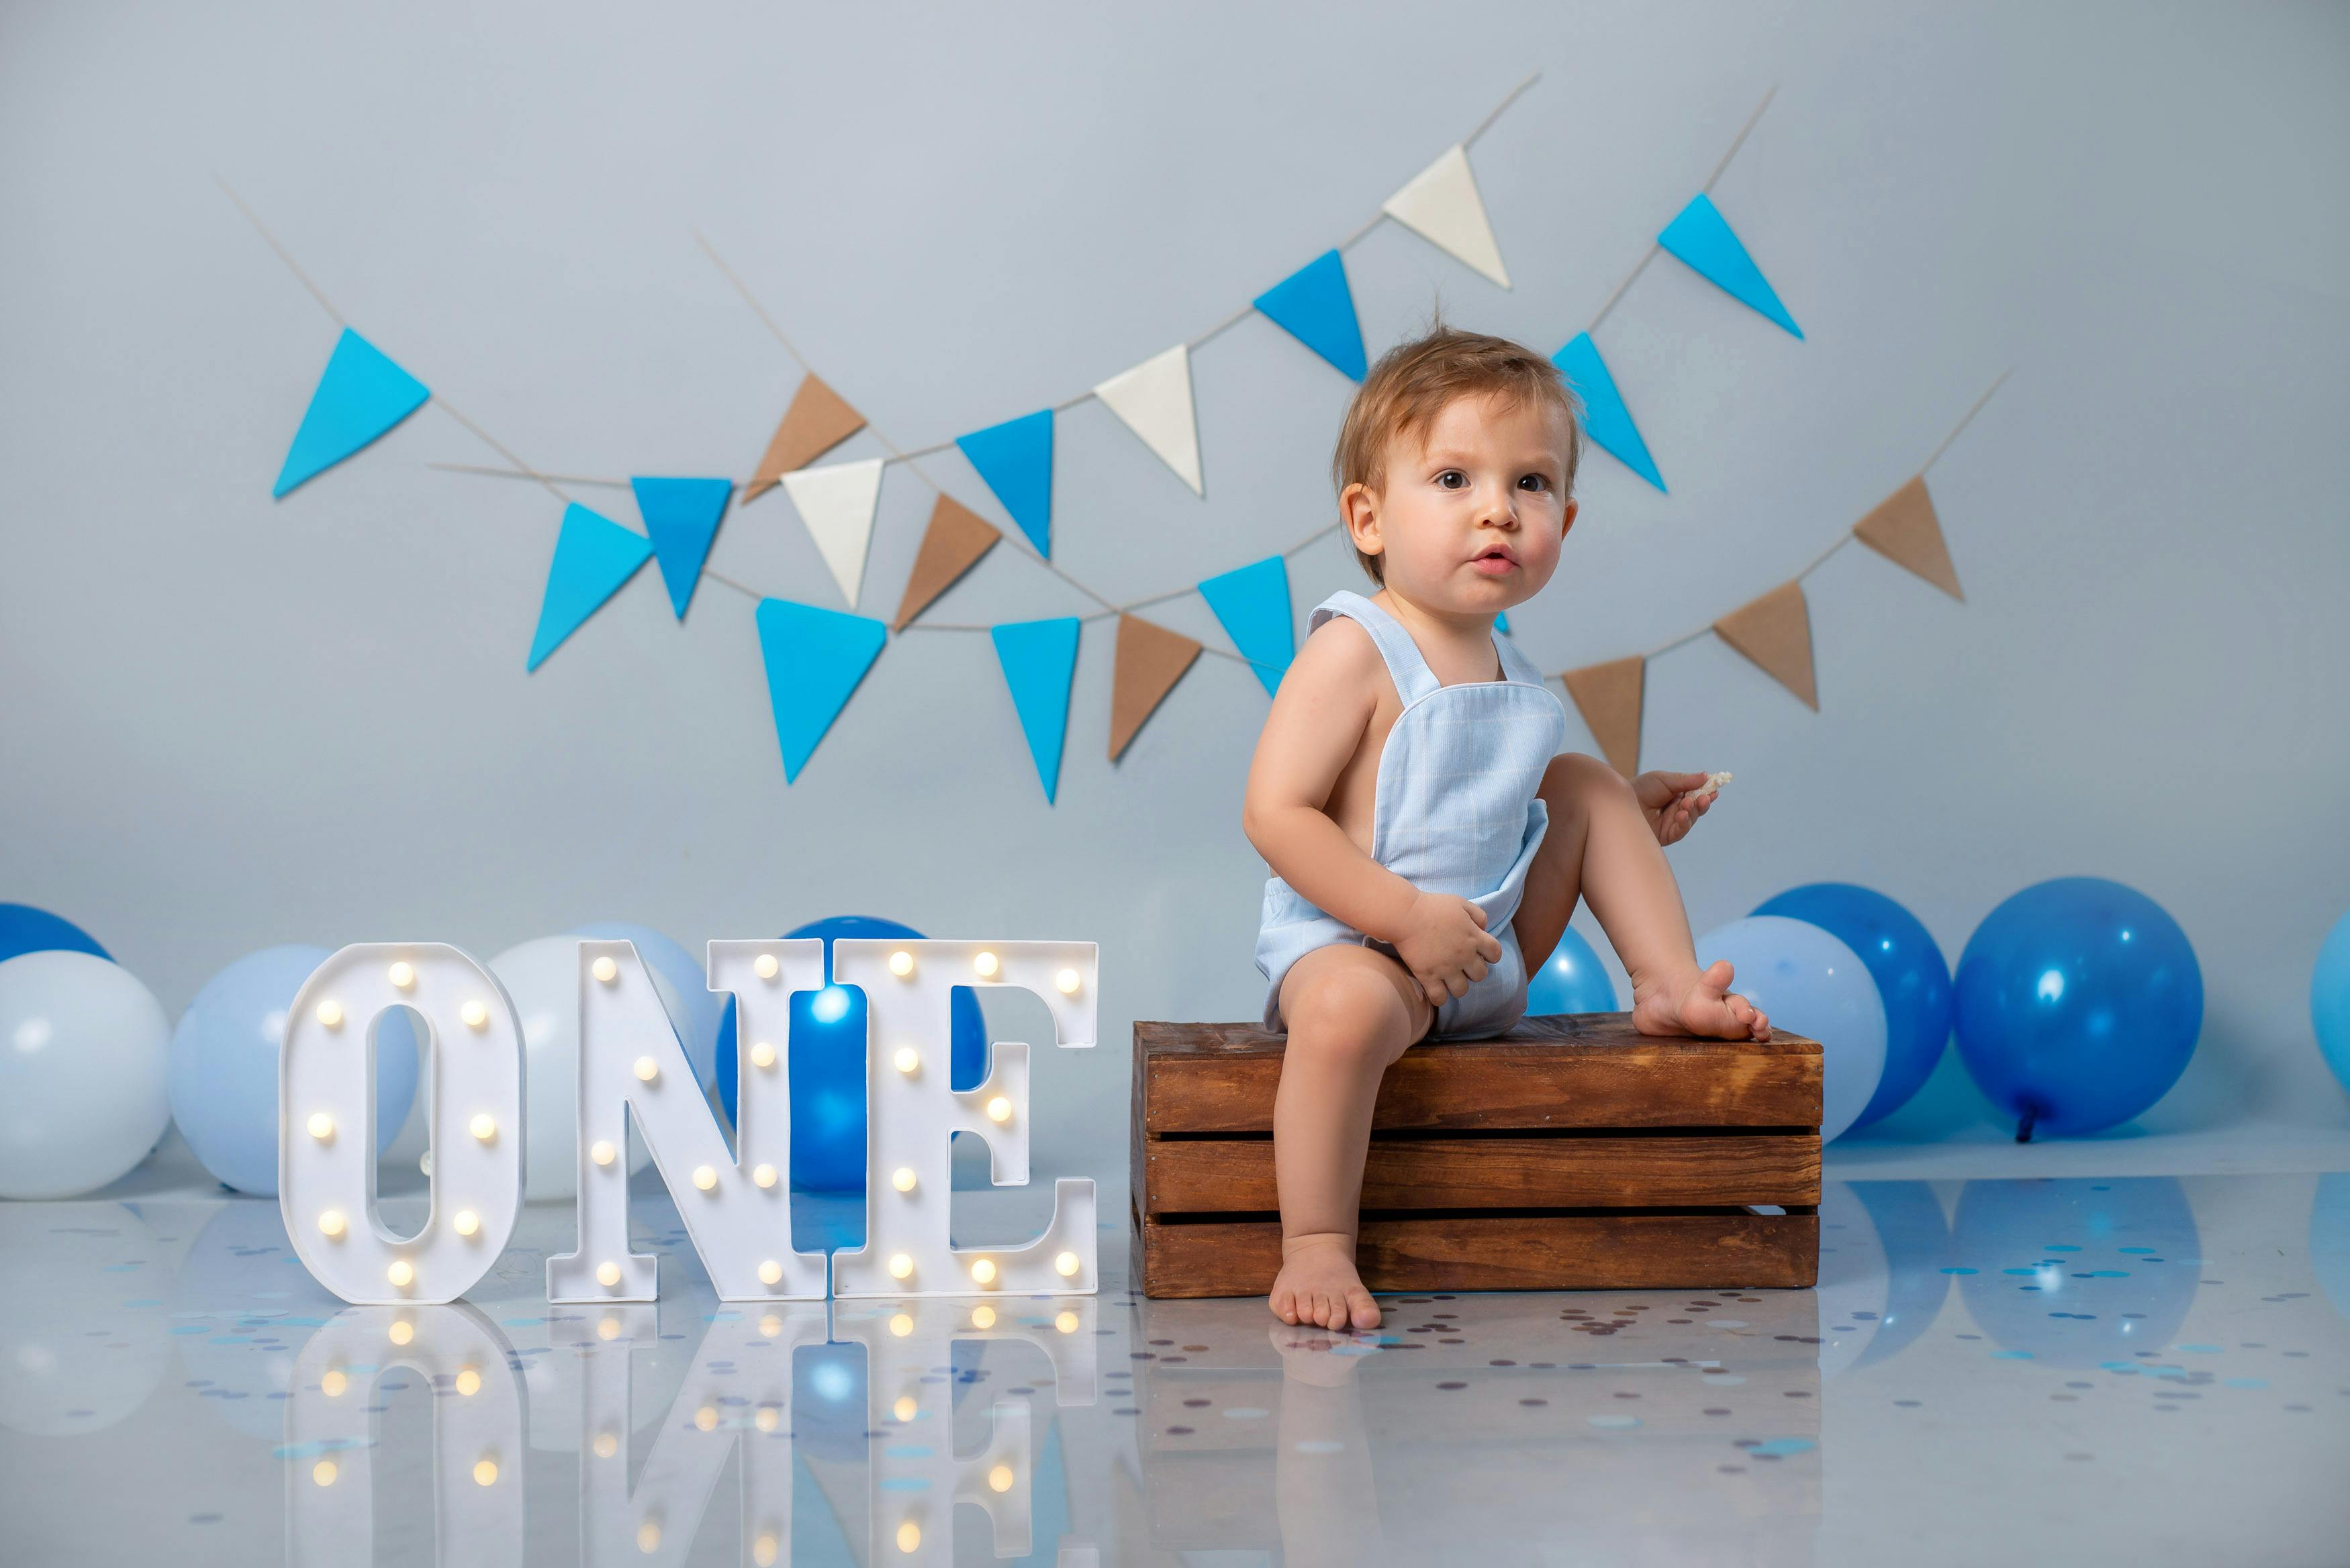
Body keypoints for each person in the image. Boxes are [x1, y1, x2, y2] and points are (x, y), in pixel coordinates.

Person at [1241, 324, 1771, 1333]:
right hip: (1363, 954)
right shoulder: (1355, 651)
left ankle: (1664, 984)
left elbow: (1503, 825)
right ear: (1369, 518)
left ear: (1564, 518)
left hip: (1481, 958)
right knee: (1344, 1012)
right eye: (1452, 478)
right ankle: (1316, 1240)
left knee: (1582, 784)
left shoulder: (1514, 673)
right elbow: (1275, 814)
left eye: (1530, 484)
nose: (1498, 508)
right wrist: (1403, 919)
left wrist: (1622, 820)